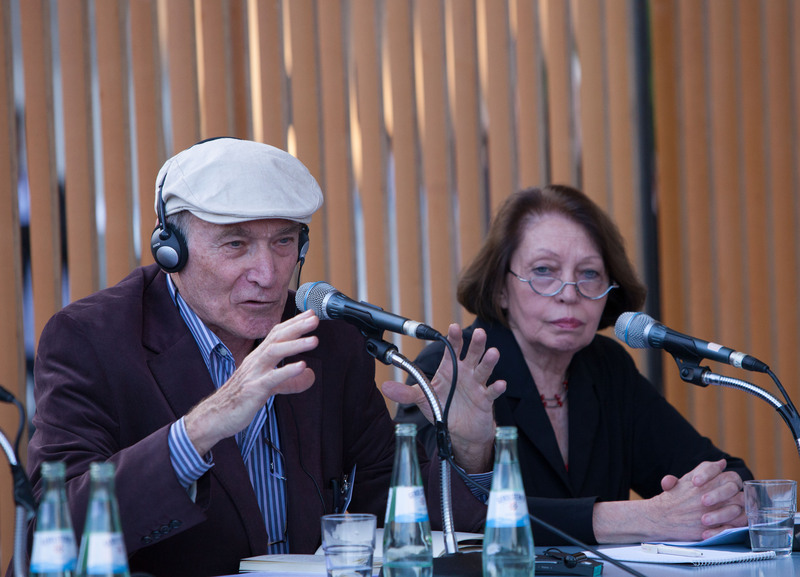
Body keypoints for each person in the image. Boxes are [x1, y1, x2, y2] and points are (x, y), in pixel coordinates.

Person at [25, 138, 505, 577]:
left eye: (283, 242)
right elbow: (53, 529)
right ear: (171, 250)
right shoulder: (92, 339)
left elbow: (392, 512)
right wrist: (201, 427)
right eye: (236, 244)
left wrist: (467, 450)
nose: (268, 274)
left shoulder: (330, 340)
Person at [392, 185, 753, 546]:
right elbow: (431, 508)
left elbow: (727, 473)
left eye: (589, 273)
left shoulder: (606, 367)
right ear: (501, 288)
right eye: (544, 270)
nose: (569, 293)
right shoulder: (451, 368)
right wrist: (643, 518)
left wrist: (717, 501)